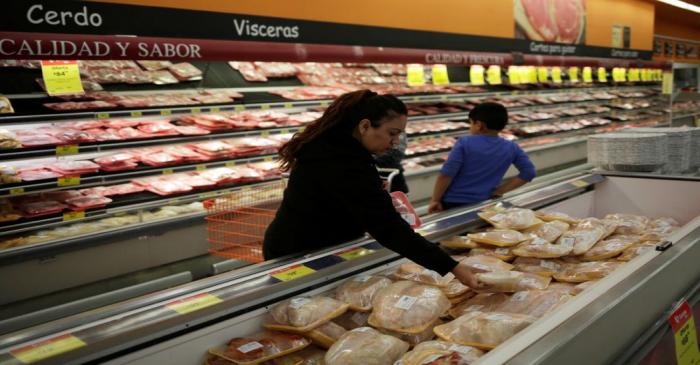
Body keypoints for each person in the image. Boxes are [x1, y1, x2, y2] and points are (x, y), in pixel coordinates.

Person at [263, 90, 480, 288]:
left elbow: (336, 194)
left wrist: (368, 190)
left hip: (319, 243)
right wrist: (452, 267)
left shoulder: (337, 146)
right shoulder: (340, 159)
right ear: (365, 126)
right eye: (392, 133)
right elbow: (387, 227)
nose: (396, 142)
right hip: (299, 252)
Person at [429, 102, 536, 213]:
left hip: (454, 201)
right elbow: (529, 172)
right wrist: (500, 191)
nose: (470, 127)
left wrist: (435, 200)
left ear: (479, 125)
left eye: (471, 123)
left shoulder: (465, 143)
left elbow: (446, 175)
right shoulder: (512, 147)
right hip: (487, 202)